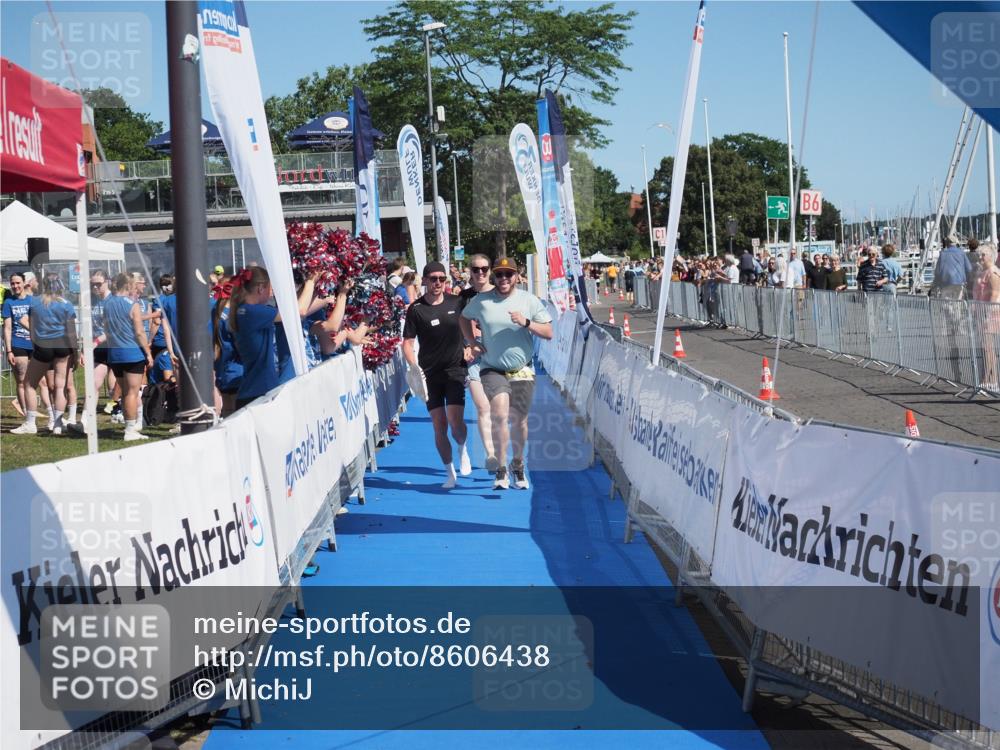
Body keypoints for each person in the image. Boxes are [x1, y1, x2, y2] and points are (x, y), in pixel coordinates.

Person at [460, 257, 553, 490]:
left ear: (516, 277)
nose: (503, 279)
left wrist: (526, 322)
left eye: (508, 274)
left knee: (519, 419)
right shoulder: (481, 301)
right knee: (500, 414)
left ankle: (518, 465)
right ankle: (501, 469)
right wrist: (472, 343)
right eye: (499, 275)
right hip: (492, 368)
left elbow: (549, 332)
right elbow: (463, 318)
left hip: (522, 369)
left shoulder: (529, 301)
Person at [402, 261, 472, 489]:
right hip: (429, 374)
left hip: (455, 369)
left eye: (442, 279)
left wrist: (471, 345)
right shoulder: (416, 309)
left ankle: (462, 447)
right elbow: (408, 342)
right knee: (438, 424)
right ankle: (449, 472)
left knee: (455, 421)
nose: (438, 283)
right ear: (424, 281)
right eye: (433, 279)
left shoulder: (457, 302)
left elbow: (470, 327)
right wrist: (414, 366)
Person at [229, 267, 318, 411]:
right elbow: (299, 312)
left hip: (255, 391)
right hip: (258, 395)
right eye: (270, 288)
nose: (271, 293)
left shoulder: (246, 310)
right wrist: (310, 281)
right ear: (260, 288)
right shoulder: (252, 312)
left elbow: (295, 308)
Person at [12, 275, 77, 435]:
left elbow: (32, 327)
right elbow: (72, 333)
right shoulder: (66, 304)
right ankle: (57, 424)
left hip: (43, 347)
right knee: (60, 386)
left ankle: (30, 423)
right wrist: (75, 353)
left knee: (29, 384)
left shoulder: (34, 302)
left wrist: (36, 343)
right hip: (63, 347)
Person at [100, 272, 154, 440]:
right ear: (128, 286)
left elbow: (106, 328)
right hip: (132, 353)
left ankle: (129, 425)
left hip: (115, 354)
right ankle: (130, 430)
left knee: (125, 392)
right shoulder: (133, 304)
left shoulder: (107, 304)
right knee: (131, 392)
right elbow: (139, 332)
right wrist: (148, 353)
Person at [458, 253, 497, 472]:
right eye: (476, 269)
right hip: (474, 356)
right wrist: (466, 346)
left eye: (484, 269)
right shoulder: (463, 297)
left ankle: (501, 454)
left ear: (490, 270)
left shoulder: (500, 292)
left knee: (499, 410)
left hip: (498, 357)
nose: (480, 273)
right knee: (483, 407)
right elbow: (458, 325)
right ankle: (490, 455)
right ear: (469, 272)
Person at [3, 273, 36, 420]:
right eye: (12, 284)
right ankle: (26, 415)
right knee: (22, 380)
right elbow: (8, 328)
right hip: (18, 344)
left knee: (41, 381)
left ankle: (48, 413)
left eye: (18, 283)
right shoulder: (8, 303)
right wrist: (9, 350)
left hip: (35, 344)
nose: (15, 286)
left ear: (24, 283)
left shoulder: (33, 301)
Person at [972, 243, 1000, 389]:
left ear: (991, 257)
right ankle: (992, 379)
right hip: (981, 311)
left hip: (991, 313)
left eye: (983, 255)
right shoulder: (982, 272)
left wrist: (987, 313)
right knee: (986, 347)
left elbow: (995, 293)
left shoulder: (993, 272)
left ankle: (987, 378)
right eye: (980, 255)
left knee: (987, 347)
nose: (980, 257)